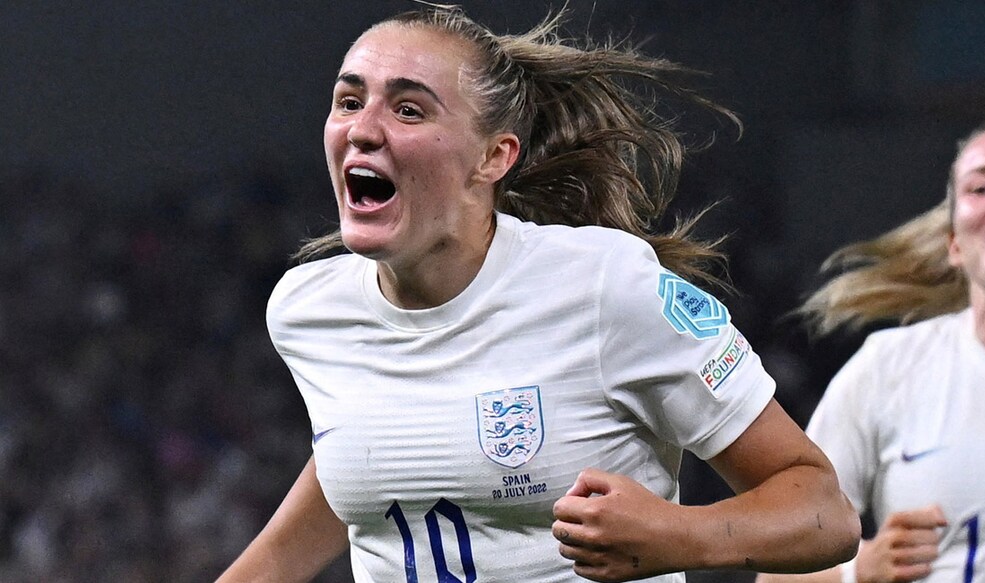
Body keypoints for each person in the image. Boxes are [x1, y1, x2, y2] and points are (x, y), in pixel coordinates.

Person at [216, 6, 859, 583]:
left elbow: (822, 511)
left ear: (493, 157)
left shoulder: (609, 288)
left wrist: (680, 536)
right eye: (349, 101)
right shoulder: (307, 311)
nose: (363, 128)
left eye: (408, 109)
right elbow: (362, 474)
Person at [757, 116, 985, 583]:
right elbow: (776, 573)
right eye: (980, 188)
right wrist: (857, 571)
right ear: (954, 244)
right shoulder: (887, 368)